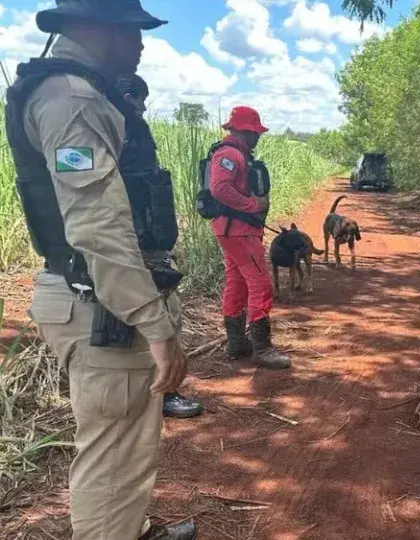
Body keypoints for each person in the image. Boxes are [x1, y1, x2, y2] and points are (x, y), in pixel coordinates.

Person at [4, 0, 197, 538]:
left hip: (96, 300)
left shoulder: (74, 91)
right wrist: (155, 327)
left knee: (123, 449)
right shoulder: (74, 99)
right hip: (104, 309)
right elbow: (98, 227)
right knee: (113, 459)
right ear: (99, 29)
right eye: (133, 31)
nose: (141, 43)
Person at [117, 73, 203, 420]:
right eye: (140, 98)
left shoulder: (126, 136)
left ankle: (155, 392)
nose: (143, 106)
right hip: (136, 250)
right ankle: (163, 394)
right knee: (161, 319)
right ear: (127, 96)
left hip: (145, 246)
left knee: (162, 317)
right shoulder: (118, 134)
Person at [207, 106, 290, 369]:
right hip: (239, 230)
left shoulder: (233, 154)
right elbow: (219, 188)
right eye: (256, 132)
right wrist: (252, 205)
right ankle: (262, 348)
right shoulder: (230, 154)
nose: (259, 137)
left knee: (238, 282)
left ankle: (237, 343)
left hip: (232, 229)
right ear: (244, 131)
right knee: (260, 284)